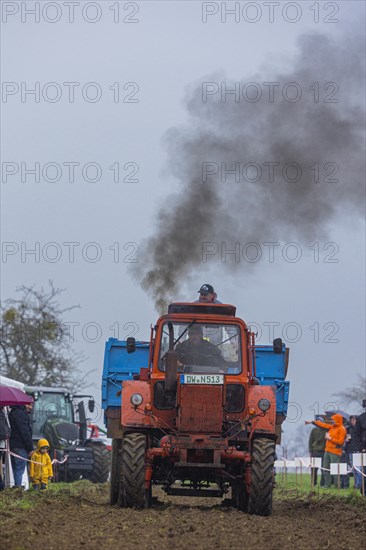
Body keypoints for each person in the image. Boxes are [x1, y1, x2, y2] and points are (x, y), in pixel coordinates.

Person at [305, 413, 347, 488]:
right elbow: (322, 425)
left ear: (337, 420)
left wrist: (330, 439)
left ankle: (337, 485)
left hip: (335, 452)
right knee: (325, 468)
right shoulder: (331, 427)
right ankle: (327, 484)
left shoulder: (342, 429)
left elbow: (341, 442)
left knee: (335, 469)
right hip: (327, 450)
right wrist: (312, 422)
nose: (332, 421)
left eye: (333, 420)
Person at [9, 403, 34, 487]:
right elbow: (25, 433)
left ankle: (17, 487)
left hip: (12, 446)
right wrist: (30, 448)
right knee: (20, 469)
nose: (31, 407)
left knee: (15, 469)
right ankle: (18, 488)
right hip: (21, 446)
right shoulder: (22, 414)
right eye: (30, 405)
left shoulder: (11, 412)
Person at [342, 416, 361, 489]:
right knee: (354, 469)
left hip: (358, 451)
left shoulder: (360, 429)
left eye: (354, 419)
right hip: (350, 450)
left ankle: (359, 484)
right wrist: (346, 441)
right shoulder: (348, 429)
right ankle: (356, 484)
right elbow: (345, 441)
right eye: (351, 420)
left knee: (359, 469)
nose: (353, 421)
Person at [308, 418, 327, 486]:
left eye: (320, 422)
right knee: (314, 469)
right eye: (317, 421)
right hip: (315, 452)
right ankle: (313, 483)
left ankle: (322, 483)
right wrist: (310, 451)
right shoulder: (314, 430)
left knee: (323, 468)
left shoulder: (325, 430)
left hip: (323, 452)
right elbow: (310, 441)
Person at [354, 400, 366, 494]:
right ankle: (364, 491)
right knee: (364, 472)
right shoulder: (361, 418)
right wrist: (361, 447)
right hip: (364, 448)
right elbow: (357, 435)